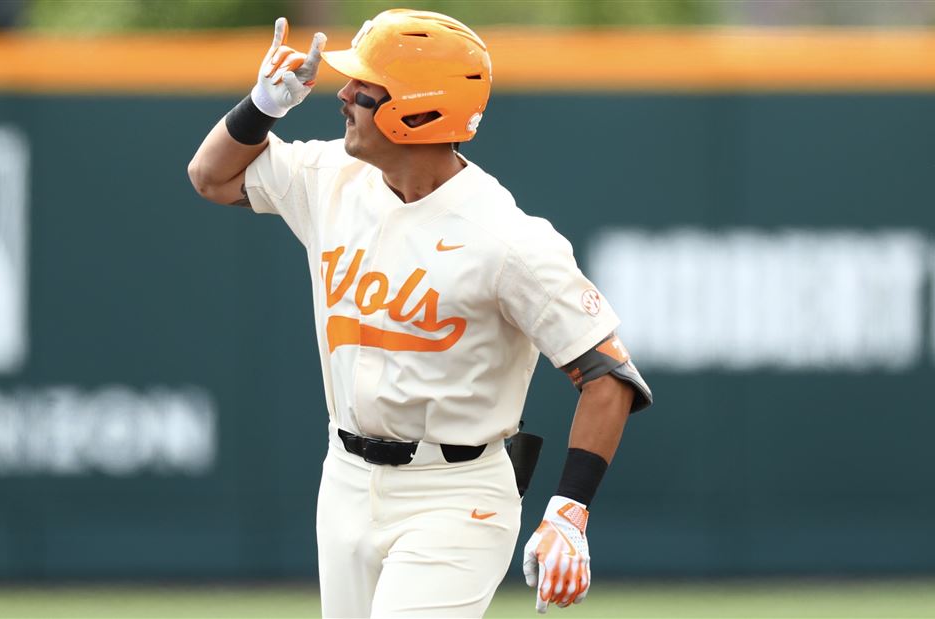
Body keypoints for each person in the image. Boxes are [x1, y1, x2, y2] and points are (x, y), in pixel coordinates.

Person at [187, 9, 652, 618]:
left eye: (366, 88)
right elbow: (210, 178)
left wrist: (570, 509)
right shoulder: (333, 176)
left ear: (418, 111)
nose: (344, 96)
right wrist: (263, 106)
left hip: (457, 493)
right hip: (347, 478)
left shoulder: (507, 238)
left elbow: (608, 375)